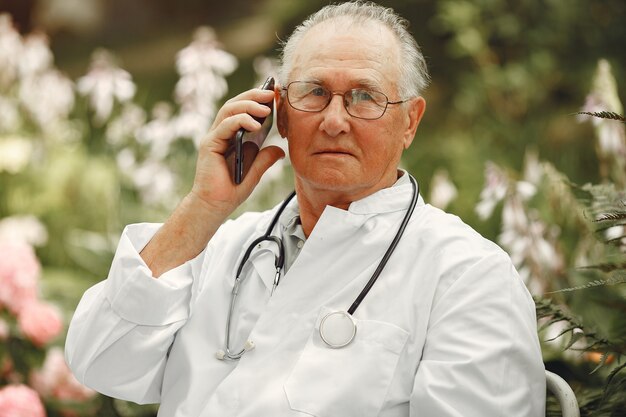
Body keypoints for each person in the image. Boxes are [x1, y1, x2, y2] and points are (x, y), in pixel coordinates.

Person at [65, 2, 546, 416]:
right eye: (314, 92)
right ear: (280, 111)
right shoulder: (223, 245)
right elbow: (102, 361)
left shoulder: (469, 277)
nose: (335, 120)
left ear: (410, 122)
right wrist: (204, 207)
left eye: (365, 96)